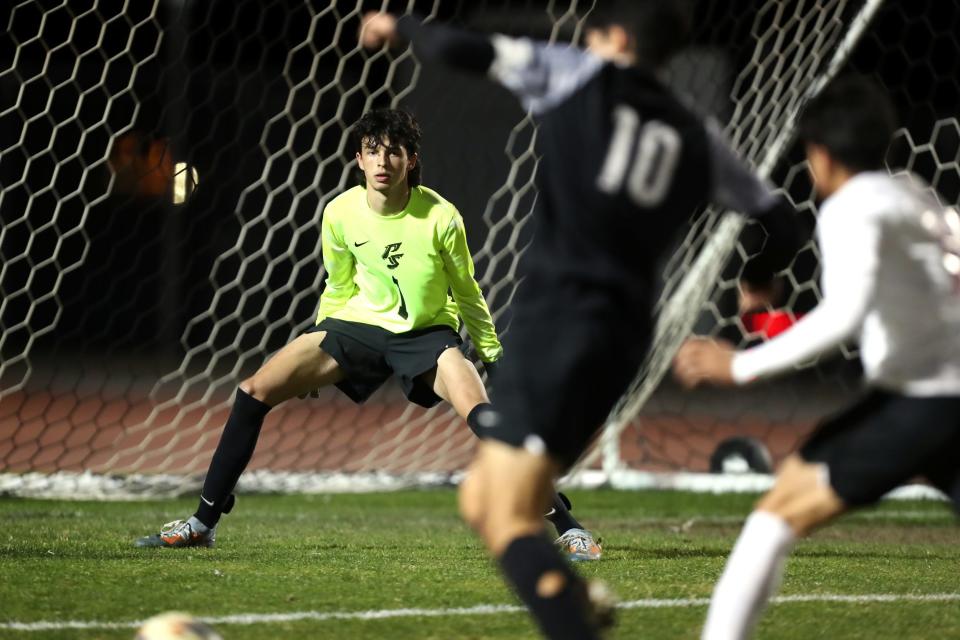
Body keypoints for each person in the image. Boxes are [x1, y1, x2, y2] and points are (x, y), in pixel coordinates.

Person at [361, 3, 801, 637]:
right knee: (490, 497)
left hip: (559, 322)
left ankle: (570, 618)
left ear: (615, 38)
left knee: (495, 507)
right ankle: (570, 601)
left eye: (593, 36)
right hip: (623, 340)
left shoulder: (575, 74)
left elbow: (469, 51)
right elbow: (781, 221)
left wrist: (401, 27)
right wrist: (757, 283)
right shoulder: (696, 133)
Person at [135, 108, 599, 556]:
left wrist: (493, 356)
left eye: (394, 152)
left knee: (482, 415)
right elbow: (338, 286)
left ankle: (569, 528)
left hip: (426, 335)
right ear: (358, 158)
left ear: (410, 160)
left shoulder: (440, 217)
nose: (383, 161)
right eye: (372, 151)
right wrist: (317, 348)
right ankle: (202, 522)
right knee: (254, 390)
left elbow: (468, 291)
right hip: (356, 327)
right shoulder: (339, 213)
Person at [673, 76, 960, 639]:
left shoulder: (849, 207)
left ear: (821, 154)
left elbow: (844, 313)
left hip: (918, 404)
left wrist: (739, 365)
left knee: (771, 520)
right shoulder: (915, 193)